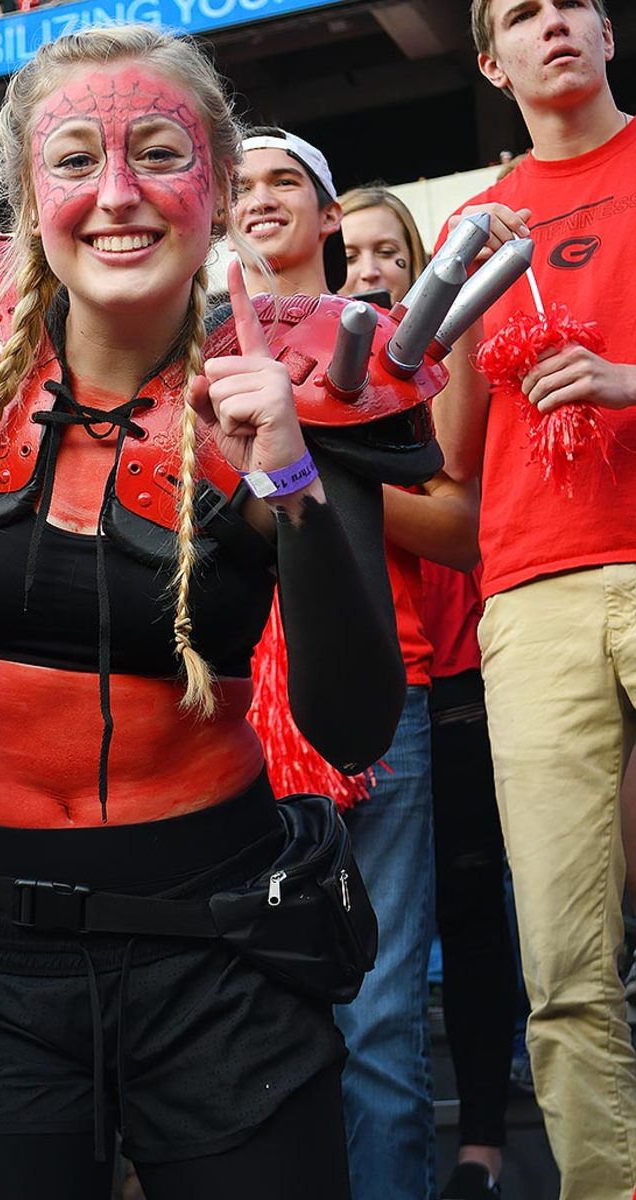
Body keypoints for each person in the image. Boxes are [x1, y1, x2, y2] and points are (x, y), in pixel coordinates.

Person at [0, 27, 409, 1200]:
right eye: (74, 160)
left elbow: (354, 728)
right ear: (28, 200)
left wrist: (291, 484)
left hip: (223, 958)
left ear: (212, 185)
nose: (117, 195)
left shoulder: (305, 389)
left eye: (157, 152)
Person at [235, 139, 478, 1200]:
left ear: (329, 218)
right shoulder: (184, 342)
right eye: (237, 186)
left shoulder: (387, 346)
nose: (259, 201)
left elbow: (464, 529)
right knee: (243, 1019)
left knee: (376, 1019)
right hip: (232, 710)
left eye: (283, 181)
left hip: (384, 710)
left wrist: (322, 466)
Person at [434, 3, 636, 1197]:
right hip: (531, 592)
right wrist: (456, 291)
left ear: (607, 35)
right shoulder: (470, 221)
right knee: (560, 961)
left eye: (571, 3)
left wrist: (625, 380)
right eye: (520, 13)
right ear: (490, 62)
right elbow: (456, 452)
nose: (550, 22)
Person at [341, 184, 518, 1200]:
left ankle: (483, 1140)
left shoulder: (449, 350)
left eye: (388, 253)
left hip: (463, 659)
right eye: (354, 253)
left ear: (417, 263)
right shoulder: (336, 363)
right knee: (380, 944)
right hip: (395, 664)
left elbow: (456, 498)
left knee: (467, 898)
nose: (370, 268)